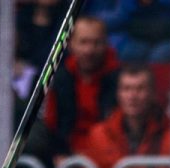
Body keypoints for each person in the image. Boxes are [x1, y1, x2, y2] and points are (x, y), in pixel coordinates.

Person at [43, 14, 119, 157]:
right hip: (66, 158)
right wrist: (59, 154)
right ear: (71, 43)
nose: (89, 50)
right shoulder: (59, 80)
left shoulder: (120, 80)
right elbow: (51, 125)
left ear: (106, 43)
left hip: (108, 156)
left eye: (96, 42)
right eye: (83, 42)